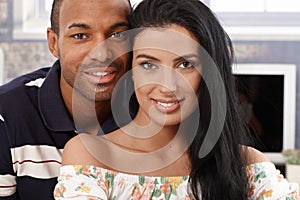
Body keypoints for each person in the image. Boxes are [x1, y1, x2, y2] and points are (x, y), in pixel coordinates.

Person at [53, 0, 299, 199]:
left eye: (185, 64)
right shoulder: (91, 155)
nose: (167, 86)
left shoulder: (247, 165)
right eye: (148, 64)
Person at [0, 0, 132, 199]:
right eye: (80, 36)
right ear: (54, 43)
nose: (102, 53)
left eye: (117, 35)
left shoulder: (154, 106)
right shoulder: (7, 114)